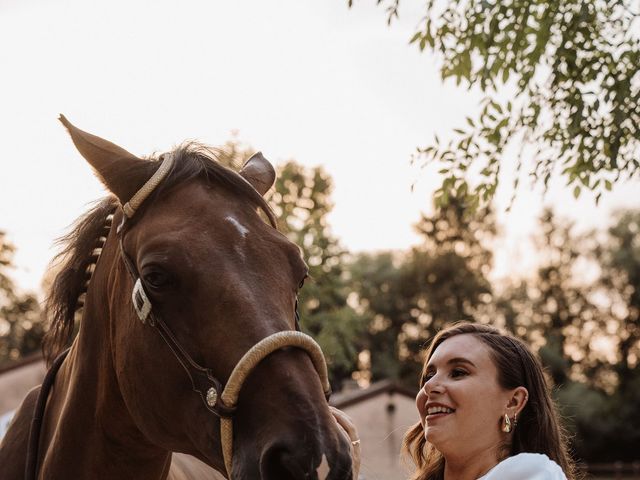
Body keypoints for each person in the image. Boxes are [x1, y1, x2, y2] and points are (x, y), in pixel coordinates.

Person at [402, 322, 578, 480]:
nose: (429, 385)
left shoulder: (532, 475)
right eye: (429, 375)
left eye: (458, 372)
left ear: (512, 403)